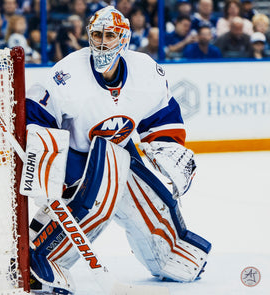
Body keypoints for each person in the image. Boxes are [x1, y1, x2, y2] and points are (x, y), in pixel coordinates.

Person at [25, 5, 211, 295]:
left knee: (149, 203)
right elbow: (36, 117)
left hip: (121, 152)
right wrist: (46, 168)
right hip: (75, 161)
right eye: (96, 34)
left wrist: (169, 149)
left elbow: (162, 116)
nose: (101, 42)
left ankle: (168, 251)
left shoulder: (145, 70)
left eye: (109, 35)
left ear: (123, 39)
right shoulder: (66, 74)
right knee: (94, 205)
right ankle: (44, 256)